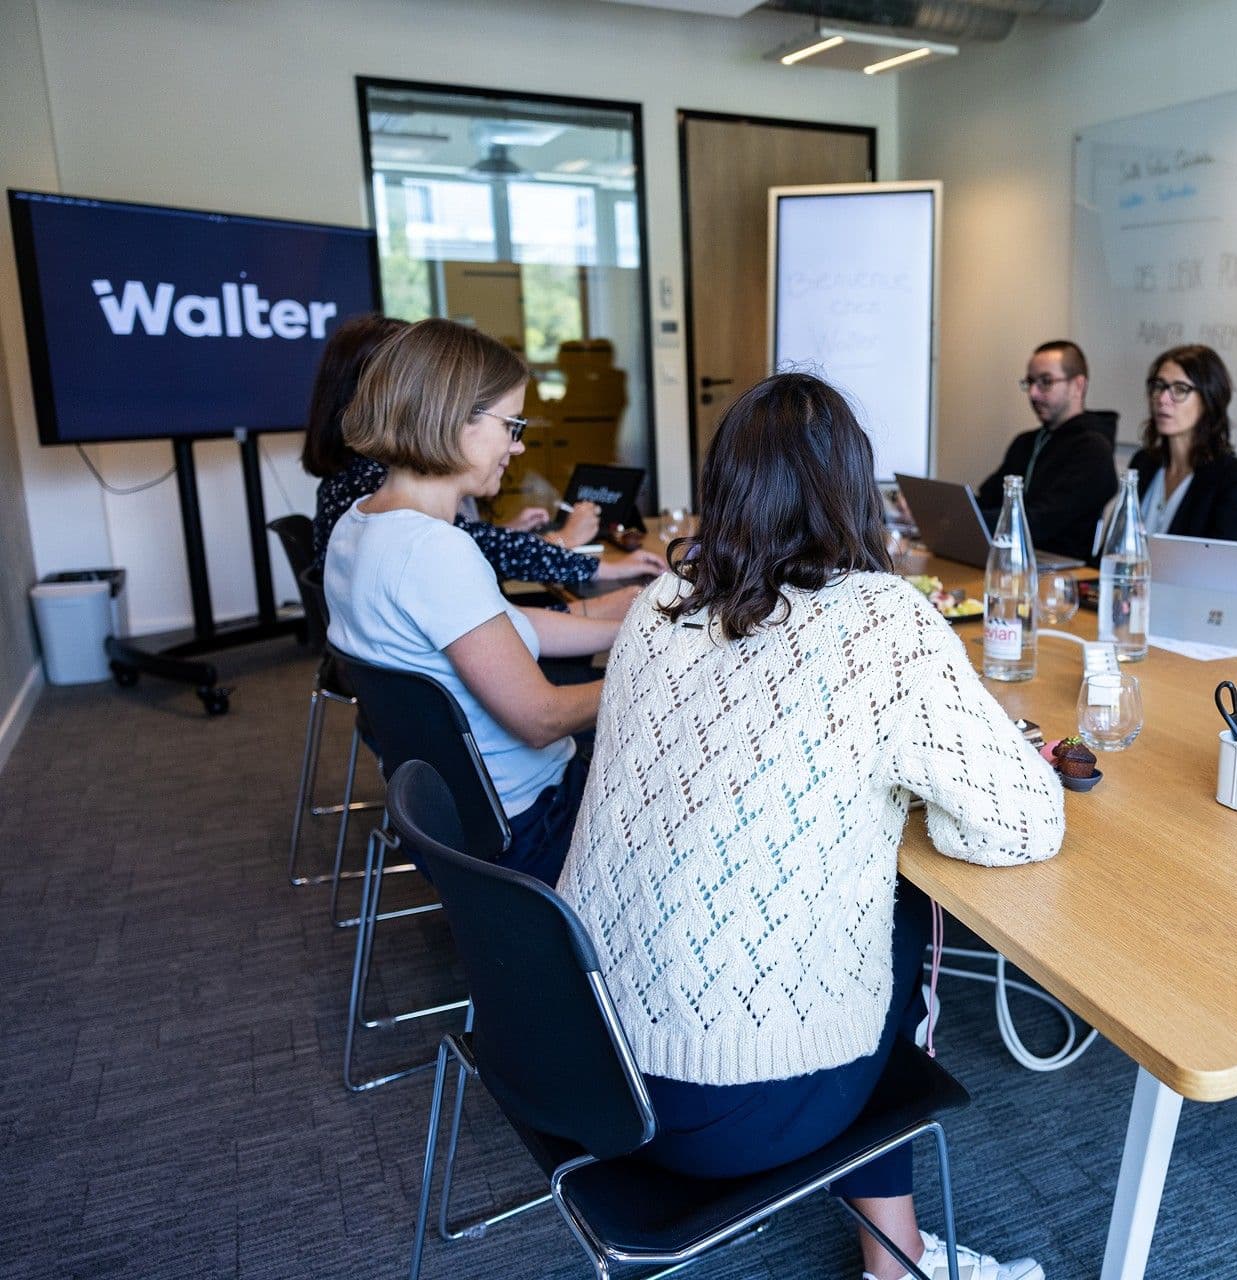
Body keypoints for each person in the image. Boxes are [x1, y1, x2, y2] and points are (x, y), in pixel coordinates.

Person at [559, 372, 1064, 1280]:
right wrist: (911, 802)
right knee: (901, 914)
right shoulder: (882, 619)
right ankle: (894, 1264)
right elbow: (1021, 824)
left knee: (845, 907)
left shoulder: (655, 608)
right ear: (851, 489)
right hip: (732, 1106)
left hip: (586, 1065)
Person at [324, 318, 625, 887]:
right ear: (455, 420)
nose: (518, 445)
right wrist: (652, 671)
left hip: (452, 820)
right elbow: (540, 719)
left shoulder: (361, 524)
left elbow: (499, 626)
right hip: (532, 827)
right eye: (511, 424)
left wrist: (625, 625)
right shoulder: (433, 550)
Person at [303, 313, 663, 597]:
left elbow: (460, 550)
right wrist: (563, 540)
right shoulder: (381, 493)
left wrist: (505, 532)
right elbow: (461, 557)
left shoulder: (364, 493)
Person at [977, 340, 1119, 562]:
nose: (1033, 393)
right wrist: (948, 514)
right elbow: (988, 499)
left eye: (1045, 382)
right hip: (1009, 561)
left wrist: (967, 521)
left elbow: (1043, 521)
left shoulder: (1092, 451)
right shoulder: (1025, 443)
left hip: (1060, 576)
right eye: (1030, 382)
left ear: (1078, 386)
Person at [1126, 344, 1237, 539]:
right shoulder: (1143, 462)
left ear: (1208, 399)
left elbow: (1217, 560)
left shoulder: (1234, 477)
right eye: (1159, 386)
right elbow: (1114, 546)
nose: (1163, 398)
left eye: (1180, 389)